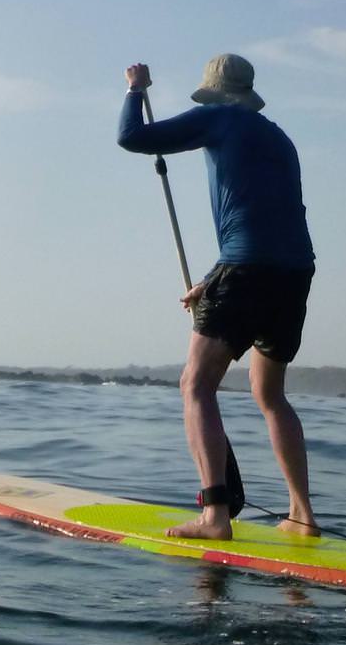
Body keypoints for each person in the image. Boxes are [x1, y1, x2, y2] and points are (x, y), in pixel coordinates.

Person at [117, 55, 318, 541]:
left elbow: (132, 138)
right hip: (294, 273)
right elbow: (270, 220)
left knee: (195, 385)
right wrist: (213, 279)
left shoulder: (218, 118)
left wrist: (134, 91)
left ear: (214, 92)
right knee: (270, 396)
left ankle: (214, 516)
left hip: (247, 271)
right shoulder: (279, 138)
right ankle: (302, 515)